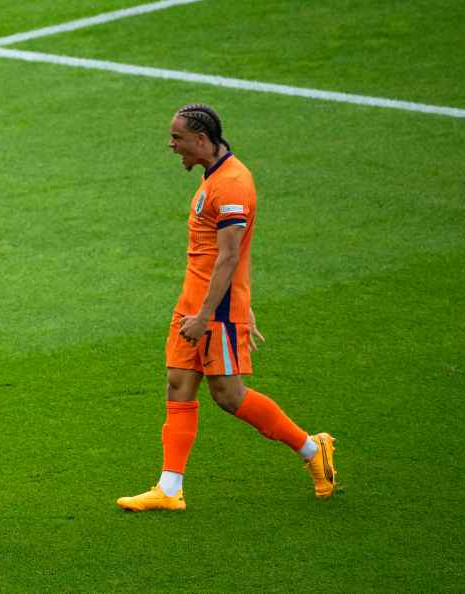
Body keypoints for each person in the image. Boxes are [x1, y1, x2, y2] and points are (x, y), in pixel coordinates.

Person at [116, 104, 336, 512]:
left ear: (201, 140)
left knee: (229, 395)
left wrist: (210, 315)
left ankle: (311, 449)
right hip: (194, 304)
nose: (172, 145)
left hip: (212, 312)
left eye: (177, 138)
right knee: (178, 383)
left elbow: (229, 256)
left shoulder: (233, 184)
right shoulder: (214, 175)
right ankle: (169, 488)